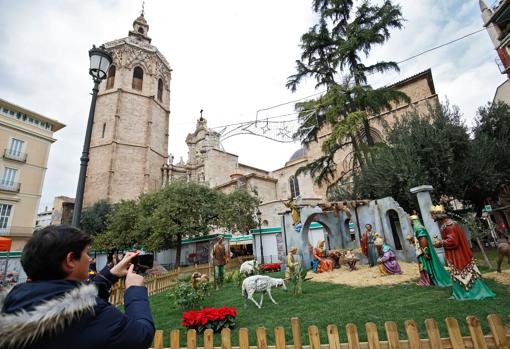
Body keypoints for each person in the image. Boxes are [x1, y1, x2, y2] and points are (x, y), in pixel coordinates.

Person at [0, 225, 154, 349]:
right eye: (87, 253)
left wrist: (110, 275)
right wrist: (135, 290)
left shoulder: (13, 302)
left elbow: (69, 301)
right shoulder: (90, 313)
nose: (90, 259)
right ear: (70, 260)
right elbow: (141, 335)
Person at [430, 205, 496, 300]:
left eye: (432, 215)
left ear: (437, 216)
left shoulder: (449, 226)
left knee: (462, 273)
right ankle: (464, 292)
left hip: (458, 255)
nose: (432, 218)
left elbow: (453, 241)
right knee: (462, 273)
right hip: (458, 254)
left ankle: (469, 293)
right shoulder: (449, 224)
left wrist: (440, 243)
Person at [408, 214, 451, 287]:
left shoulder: (419, 229)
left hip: (423, 251)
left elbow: (423, 240)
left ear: (413, 221)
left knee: (425, 264)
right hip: (421, 250)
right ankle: (426, 279)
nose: (411, 223)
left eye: (411, 222)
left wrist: (426, 252)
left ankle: (427, 280)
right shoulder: (419, 228)